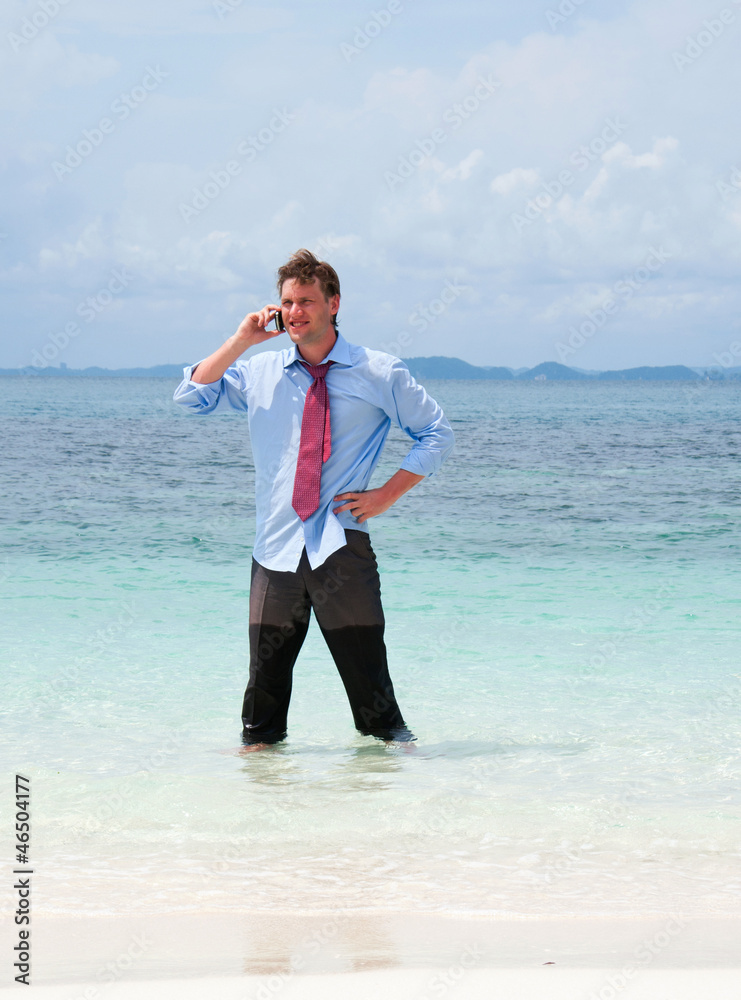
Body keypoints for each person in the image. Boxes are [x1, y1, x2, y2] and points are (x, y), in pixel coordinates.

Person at [173, 249, 454, 747]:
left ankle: (403, 798)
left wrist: (387, 494)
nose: (295, 311)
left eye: (306, 300)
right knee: (261, 709)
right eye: (287, 301)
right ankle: (262, 802)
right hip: (274, 547)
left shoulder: (380, 371)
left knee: (374, 701)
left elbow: (436, 433)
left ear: (333, 303)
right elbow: (192, 397)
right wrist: (242, 339)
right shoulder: (260, 370)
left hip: (339, 546)